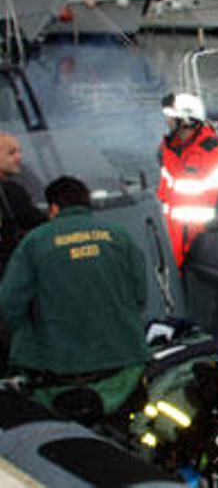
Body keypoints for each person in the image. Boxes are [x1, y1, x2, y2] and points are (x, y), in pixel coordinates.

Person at [0, 176, 149, 416]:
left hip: (59, 374)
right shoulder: (120, 236)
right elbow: (140, 296)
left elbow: (9, 305)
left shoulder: (34, 242)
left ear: (54, 208)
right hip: (124, 367)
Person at [157, 92, 218, 268]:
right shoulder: (169, 148)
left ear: (185, 120)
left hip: (192, 228)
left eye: (171, 117)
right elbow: (165, 186)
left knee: (170, 269)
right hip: (167, 223)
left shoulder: (212, 152)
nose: (167, 122)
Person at [0, 133, 46, 276]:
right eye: (11, 153)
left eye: (20, 151)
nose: (19, 157)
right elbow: (39, 224)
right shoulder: (11, 192)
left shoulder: (23, 178)